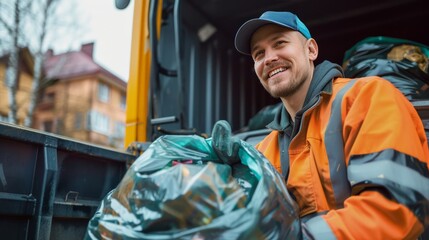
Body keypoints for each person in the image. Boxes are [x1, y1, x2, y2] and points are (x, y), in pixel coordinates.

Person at [212, 11, 429, 239]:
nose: (269, 58)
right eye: (259, 54)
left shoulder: (367, 98)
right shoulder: (265, 149)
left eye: (280, 43)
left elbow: (393, 210)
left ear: (311, 50)